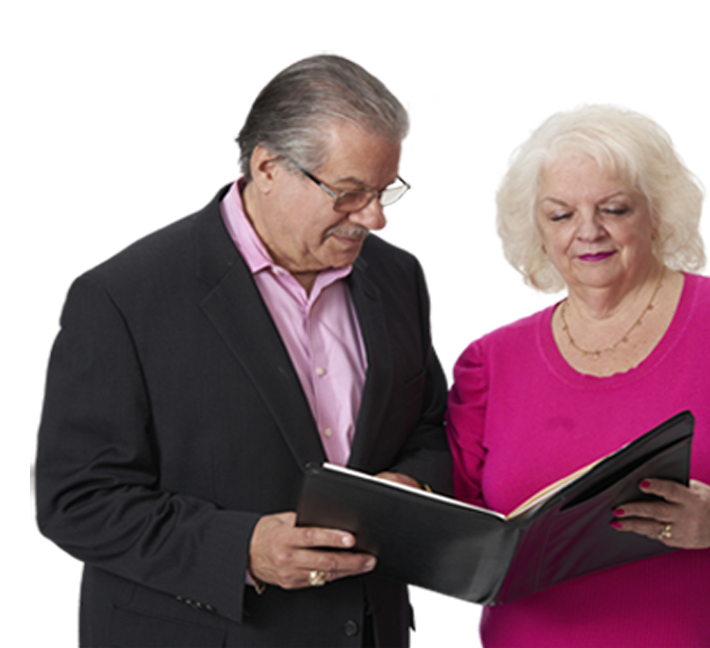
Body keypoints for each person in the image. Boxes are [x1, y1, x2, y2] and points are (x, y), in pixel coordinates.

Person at [36, 55, 451, 648]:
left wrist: (413, 490)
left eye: (385, 191)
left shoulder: (397, 279)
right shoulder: (124, 297)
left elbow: (431, 429)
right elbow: (77, 501)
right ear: (268, 167)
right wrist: (244, 551)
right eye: (350, 193)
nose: (376, 219)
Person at [446, 105, 710, 647]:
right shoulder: (490, 364)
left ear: (656, 212)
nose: (588, 232)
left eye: (614, 208)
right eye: (559, 215)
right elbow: (457, 529)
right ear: (537, 230)